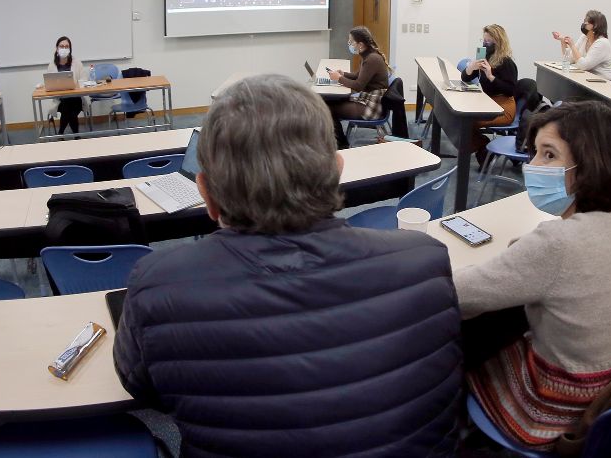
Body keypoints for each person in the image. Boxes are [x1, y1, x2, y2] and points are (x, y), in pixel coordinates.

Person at [113, 75, 462, 457]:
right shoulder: (426, 259)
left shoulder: (158, 285)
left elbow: (143, 388)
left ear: (206, 195)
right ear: (338, 169)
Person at [454, 100, 611, 452]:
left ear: (592, 164)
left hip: (562, 405)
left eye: (549, 155)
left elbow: (458, 293)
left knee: (456, 332)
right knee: (506, 316)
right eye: (535, 153)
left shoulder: (557, 244)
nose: (533, 166)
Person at [462, 23, 518, 166]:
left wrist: (491, 76)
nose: (485, 44)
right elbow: (465, 78)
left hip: (503, 107)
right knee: (460, 120)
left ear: (498, 42)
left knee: (468, 123)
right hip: (489, 103)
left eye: (488, 41)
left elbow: (510, 90)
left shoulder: (507, 62)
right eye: (484, 41)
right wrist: (470, 68)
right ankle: (483, 146)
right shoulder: (485, 57)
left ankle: (483, 149)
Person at [327, 26, 390, 149]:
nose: (349, 44)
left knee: (328, 109)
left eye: (351, 42)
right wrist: (343, 74)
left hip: (371, 106)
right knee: (329, 102)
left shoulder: (372, 59)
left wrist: (338, 78)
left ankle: (342, 145)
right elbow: (357, 75)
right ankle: (336, 142)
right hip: (367, 99)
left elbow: (358, 85)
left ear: (360, 44)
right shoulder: (368, 55)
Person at [552, 9, 611, 79]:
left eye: (586, 22)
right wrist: (562, 41)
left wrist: (572, 46)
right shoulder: (584, 37)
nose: (583, 24)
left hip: (605, 85)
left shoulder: (602, 43)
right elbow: (569, 60)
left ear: (595, 26)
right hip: (588, 80)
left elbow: (583, 66)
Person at [47, 36, 85, 135]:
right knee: (68, 107)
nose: (64, 48)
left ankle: (60, 133)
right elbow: (49, 83)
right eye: (61, 46)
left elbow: (83, 81)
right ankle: (76, 136)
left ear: (70, 49)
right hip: (60, 100)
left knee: (69, 106)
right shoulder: (52, 65)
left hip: (76, 98)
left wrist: (76, 85)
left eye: (66, 46)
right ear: (57, 48)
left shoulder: (77, 63)